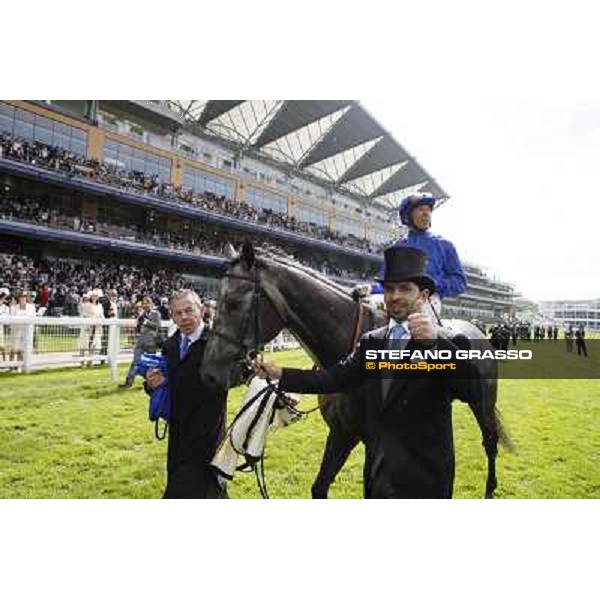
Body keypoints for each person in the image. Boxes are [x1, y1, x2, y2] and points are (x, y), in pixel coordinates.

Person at [255, 246, 475, 499]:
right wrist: (279, 372)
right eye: (390, 289)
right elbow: (332, 379)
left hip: (425, 481)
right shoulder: (372, 342)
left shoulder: (451, 341)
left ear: (423, 296)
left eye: (405, 289)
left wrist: (435, 346)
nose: (395, 296)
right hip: (378, 478)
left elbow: (471, 390)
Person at [144, 290, 228, 499]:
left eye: (189, 310)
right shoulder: (171, 344)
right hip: (178, 434)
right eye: (178, 313)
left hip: (207, 435)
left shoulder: (218, 345)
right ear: (172, 316)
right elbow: (164, 383)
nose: (184, 317)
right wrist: (152, 385)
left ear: (201, 310)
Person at [372, 193, 467, 321]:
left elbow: (459, 282)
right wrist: (370, 289)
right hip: (397, 297)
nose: (426, 213)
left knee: (418, 324)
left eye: (428, 210)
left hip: (426, 300)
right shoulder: (396, 246)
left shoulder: (445, 245)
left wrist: (433, 284)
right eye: (421, 209)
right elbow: (385, 280)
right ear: (408, 215)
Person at [123, 296, 162, 387]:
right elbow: (138, 328)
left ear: (151, 304)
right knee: (135, 362)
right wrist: (138, 323)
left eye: (147, 302)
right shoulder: (141, 314)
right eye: (144, 303)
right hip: (141, 341)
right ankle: (128, 382)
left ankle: (151, 383)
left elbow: (158, 326)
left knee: (151, 364)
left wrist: (145, 322)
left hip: (151, 342)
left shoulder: (156, 314)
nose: (145, 304)